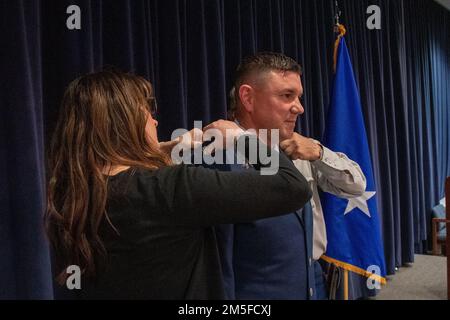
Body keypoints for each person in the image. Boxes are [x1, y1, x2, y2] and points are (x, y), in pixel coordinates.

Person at [44, 70, 312, 299]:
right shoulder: (169, 187)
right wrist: (242, 137)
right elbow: (291, 186)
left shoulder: (72, 196)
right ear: (126, 122)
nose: (155, 120)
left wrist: (156, 151)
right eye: (147, 112)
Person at [218, 52, 366, 300]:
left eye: (298, 97)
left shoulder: (299, 148)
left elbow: (356, 185)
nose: (299, 107)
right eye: (287, 96)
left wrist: (318, 152)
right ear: (248, 98)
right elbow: (219, 256)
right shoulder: (220, 154)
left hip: (313, 281)